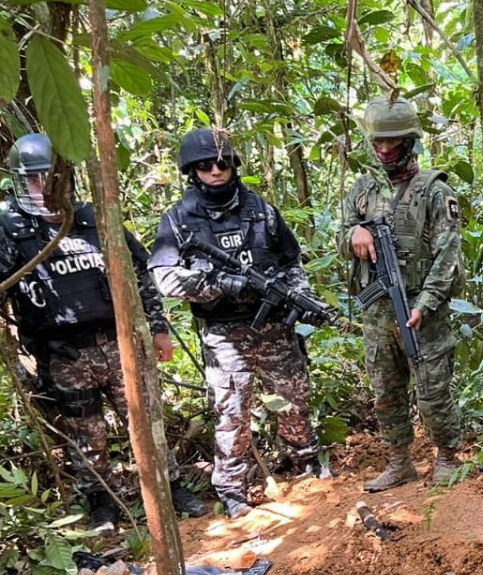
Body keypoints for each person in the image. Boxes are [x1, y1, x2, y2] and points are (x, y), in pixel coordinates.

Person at [0, 133, 206, 532]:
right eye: (32, 178)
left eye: (49, 177)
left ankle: (171, 489)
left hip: (119, 343)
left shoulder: (93, 218)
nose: (41, 186)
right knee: (86, 433)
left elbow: (140, 274)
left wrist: (159, 328)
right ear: (17, 180)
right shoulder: (11, 227)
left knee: (145, 420)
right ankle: (103, 503)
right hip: (64, 354)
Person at [149, 129, 328, 519]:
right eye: (206, 165)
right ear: (192, 170)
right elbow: (164, 276)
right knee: (232, 410)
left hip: (274, 326)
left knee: (293, 396)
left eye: (223, 163)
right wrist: (216, 284)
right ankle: (231, 486)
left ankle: (307, 462)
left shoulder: (260, 210)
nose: (216, 170)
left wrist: (298, 295)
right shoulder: (180, 219)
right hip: (224, 334)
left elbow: (290, 262)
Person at [336, 96, 465, 492]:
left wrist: (424, 304)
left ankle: (446, 457)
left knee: (433, 390)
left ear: (410, 142)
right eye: (379, 143)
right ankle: (399, 462)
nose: (386, 150)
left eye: (394, 143)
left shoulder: (435, 192)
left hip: (420, 310)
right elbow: (340, 238)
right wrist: (354, 234)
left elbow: (448, 258)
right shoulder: (363, 190)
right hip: (377, 311)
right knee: (385, 392)